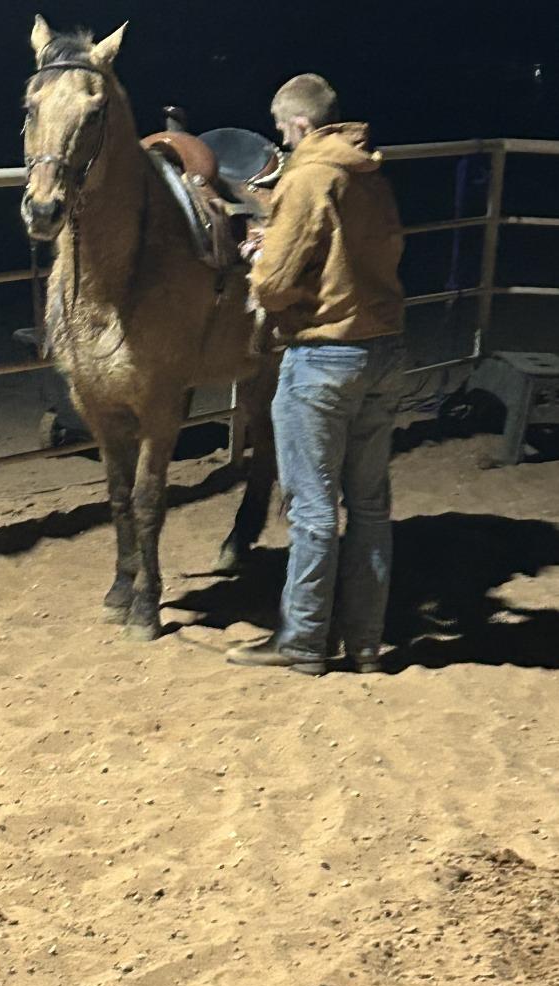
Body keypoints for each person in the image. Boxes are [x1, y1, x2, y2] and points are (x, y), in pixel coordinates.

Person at [226, 73, 407, 676]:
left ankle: (303, 640)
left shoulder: (308, 176)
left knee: (312, 508)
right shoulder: (368, 172)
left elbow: (276, 287)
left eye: (283, 131)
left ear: (299, 125)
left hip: (324, 357)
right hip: (383, 348)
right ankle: (366, 641)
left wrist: (259, 259)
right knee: (371, 506)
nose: (283, 141)